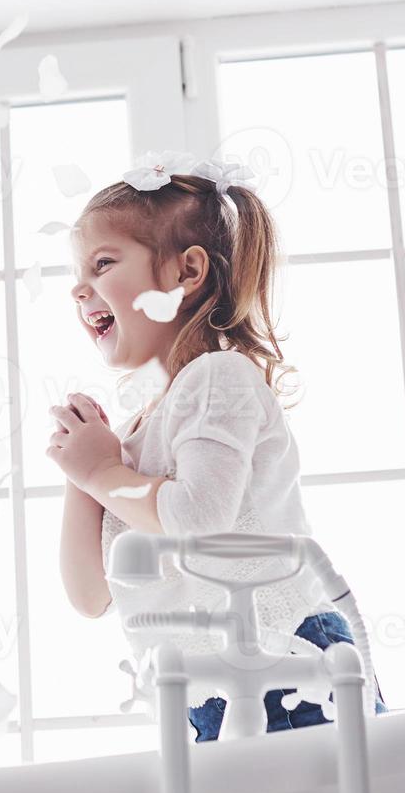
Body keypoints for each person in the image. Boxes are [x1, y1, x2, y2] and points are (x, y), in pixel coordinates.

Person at [49, 162, 386, 741]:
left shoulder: (218, 377)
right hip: (209, 693)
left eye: (102, 263)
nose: (80, 288)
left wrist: (103, 470)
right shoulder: (133, 439)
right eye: (76, 274)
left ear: (188, 272)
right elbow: (89, 595)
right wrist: (82, 476)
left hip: (287, 661)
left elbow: (198, 521)